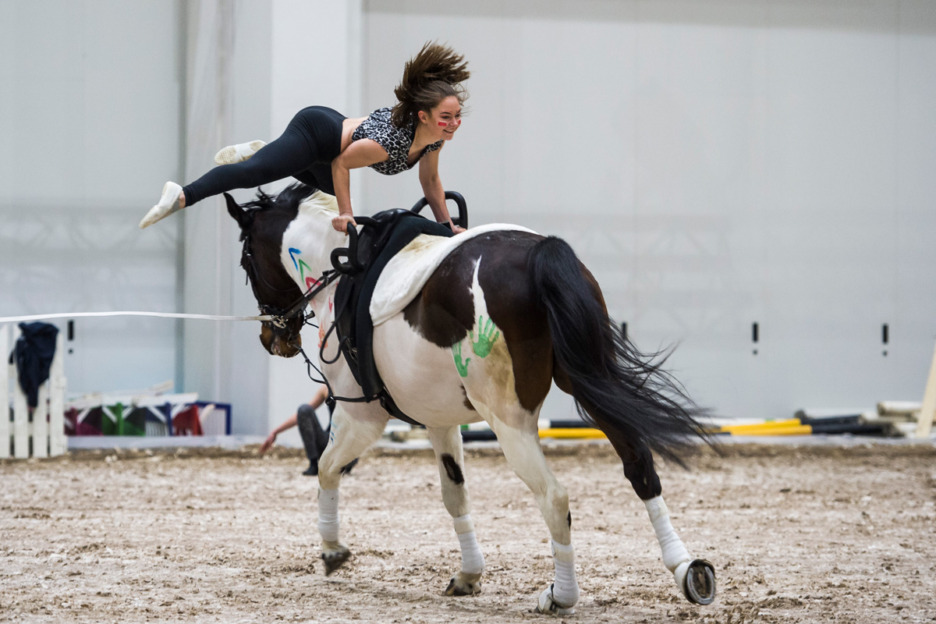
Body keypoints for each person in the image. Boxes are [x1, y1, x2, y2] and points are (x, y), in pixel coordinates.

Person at [140, 41, 469, 234]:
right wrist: (347, 214)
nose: (453, 123)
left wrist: (446, 227)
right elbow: (342, 164)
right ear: (423, 116)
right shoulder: (393, 142)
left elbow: (431, 180)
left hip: (331, 146)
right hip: (317, 134)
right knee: (253, 174)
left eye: (456, 116)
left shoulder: (432, 138)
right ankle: (182, 194)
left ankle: (262, 151)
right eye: (446, 117)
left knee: (323, 187)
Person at [260, 385, 358, 476]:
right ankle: (313, 464)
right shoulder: (326, 388)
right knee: (304, 409)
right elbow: (301, 415)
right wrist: (275, 432)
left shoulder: (356, 386)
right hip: (329, 441)